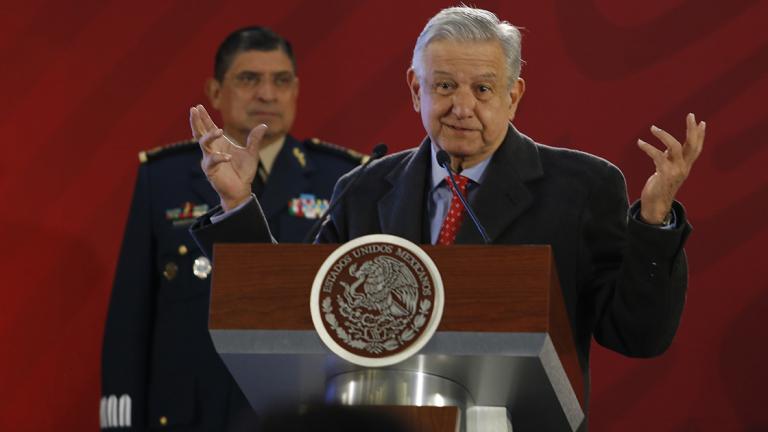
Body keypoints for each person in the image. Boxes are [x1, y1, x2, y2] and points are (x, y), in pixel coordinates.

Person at [188, 7, 705, 429]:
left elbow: (638, 335)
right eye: (444, 87)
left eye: (482, 89)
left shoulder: (582, 187)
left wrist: (654, 221)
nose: (462, 106)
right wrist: (238, 205)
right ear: (416, 90)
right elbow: (297, 315)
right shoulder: (365, 190)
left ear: (513, 95)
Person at [100, 27, 364, 431]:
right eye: (248, 79)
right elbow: (132, 313)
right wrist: (121, 416)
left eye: (281, 81)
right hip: (191, 414)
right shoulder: (164, 178)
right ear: (216, 91)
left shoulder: (341, 178)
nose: (266, 94)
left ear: (295, 91)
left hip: (299, 413)